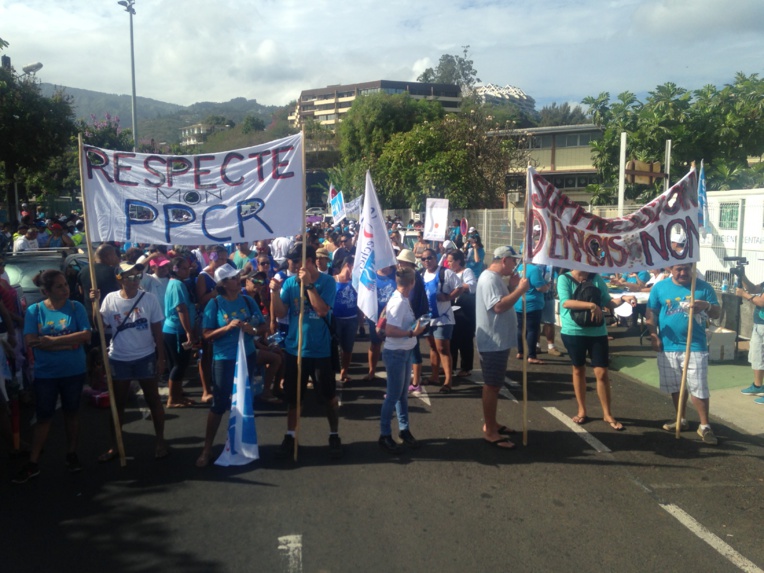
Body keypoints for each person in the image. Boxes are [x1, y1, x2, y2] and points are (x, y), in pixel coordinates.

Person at [14, 270, 91, 483]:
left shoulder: (76, 307)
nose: (66, 289)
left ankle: (72, 454)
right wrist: (69, 343)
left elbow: (86, 335)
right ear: (46, 291)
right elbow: (31, 340)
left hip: (73, 371)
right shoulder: (35, 310)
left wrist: (52, 342)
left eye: (66, 284)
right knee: (44, 416)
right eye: (59, 286)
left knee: (72, 413)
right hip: (46, 373)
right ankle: (33, 462)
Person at [270, 245, 343, 459]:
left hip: (320, 351)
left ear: (308, 262)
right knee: (294, 398)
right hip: (296, 350)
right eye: (290, 263)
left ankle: (334, 433)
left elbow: (321, 311)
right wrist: (274, 292)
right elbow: (282, 312)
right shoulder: (290, 283)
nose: (290, 267)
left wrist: (309, 285)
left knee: (328, 397)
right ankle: (290, 435)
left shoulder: (327, 282)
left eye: (294, 263)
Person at [97, 262, 168, 462]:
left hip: (145, 355)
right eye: (130, 276)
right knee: (117, 403)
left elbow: (157, 330)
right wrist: (94, 306)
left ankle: (160, 441)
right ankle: (115, 445)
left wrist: (160, 357)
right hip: (119, 357)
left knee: (153, 399)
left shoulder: (149, 299)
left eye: (138, 276)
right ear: (119, 278)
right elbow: (101, 327)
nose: (135, 280)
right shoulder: (110, 299)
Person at [196, 265, 266, 467]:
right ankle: (207, 449)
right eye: (234, 278)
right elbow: (206, 334)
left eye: (238, 277)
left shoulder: (247, 300)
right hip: (224, 359)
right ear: (224, 284)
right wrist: (227, 328)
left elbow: (262, 327)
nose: (239, 280)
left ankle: (242, 444)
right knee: (219, 403)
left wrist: (250, 329)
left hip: (247, 356)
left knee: (244, 400)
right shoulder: (215, 304)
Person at [646, 263, 721, 444]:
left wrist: (707, 306)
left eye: (687, 268)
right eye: (678, 269)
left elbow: (717, 313)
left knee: (699, 387)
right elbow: (651, 311)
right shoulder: (660, 287)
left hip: (695, 345)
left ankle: (705, 426)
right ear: (670, 269)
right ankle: (681, 419)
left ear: (692, 268)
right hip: (668, 346)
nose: (683, 273)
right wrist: (653, 334)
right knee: (675, 386)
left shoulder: (703, 287)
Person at [558, 269, 636, 430]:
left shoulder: (596, 278)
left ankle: (607, 414)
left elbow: (608, 302)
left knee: (602, 372)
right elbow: (565, 302)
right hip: (574, 331)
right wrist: (591, 305)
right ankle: (582, 410)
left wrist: (623, 298)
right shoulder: (564, 279)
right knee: (578, 369)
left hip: (597, 332)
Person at [475, 246, 529, 449]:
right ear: (504, 260)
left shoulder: (494, 278)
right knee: (492, 385)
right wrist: (518, 290)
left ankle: (492, 423)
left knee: (495, 385)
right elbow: (497, 306)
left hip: (497, 340)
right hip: (492, 341)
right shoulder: (489, 278)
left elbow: (498, 300)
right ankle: (489, 430)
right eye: (513, 261)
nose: (515, 265)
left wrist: (511, 286)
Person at [378, 267, 429, 454]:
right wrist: (412, 332)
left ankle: (404, 429)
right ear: (412, 283)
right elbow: (390, 330)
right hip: (397, 353)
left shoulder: (402, 298)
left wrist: (414, 328)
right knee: (393, 395)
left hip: (404, 351)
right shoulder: (399, 302)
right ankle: (384, 434)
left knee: (401, 396)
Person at [420, 248, 462, 392]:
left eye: (430, 258)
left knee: (443, 348)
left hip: (443, 318)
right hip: (427, 318)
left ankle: (448, 381)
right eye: (423, 259)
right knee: (432, 347)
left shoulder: (445, 273)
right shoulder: (421, 274)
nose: (427, 261)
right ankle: (434, 376)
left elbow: (460, 287)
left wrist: (448, 297)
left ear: (435, 257)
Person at [163, 256, 198, 407]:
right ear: (174, 270)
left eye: (187, 267)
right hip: (177, 330)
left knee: (176, 364)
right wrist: (188, 331)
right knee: (180, 364)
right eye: (183, 268)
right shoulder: (177, 284)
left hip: (173, 329)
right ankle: (172, 398)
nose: (187, 270)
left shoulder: (176, 283)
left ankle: (177, 394)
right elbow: (181, 309)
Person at [396, 250, 429, 393]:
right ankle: (415, 380)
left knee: (413, 350)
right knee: (412, 349)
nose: (399, 264)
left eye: (402, 261)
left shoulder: (413, 278)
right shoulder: (415, 276)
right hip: (415, 317)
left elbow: (411, 299)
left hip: (413, 318)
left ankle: (416, 382)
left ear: (408, 263)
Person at [364, 265, 396, 381]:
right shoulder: (372, 275)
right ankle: (371, 371)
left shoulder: (397, 274)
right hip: (376, 316)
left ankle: (393, 373)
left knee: (393, 346)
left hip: (394, 317)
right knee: (375, 344)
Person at [514, 261, 551, 365]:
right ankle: (532, 355)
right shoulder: (534, 270)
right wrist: (547, 286)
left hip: (519, 302)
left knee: (521, 328)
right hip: (532, 304)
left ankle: (520, 352)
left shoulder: (521, 267)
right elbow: (540, 287)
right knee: (532, 330)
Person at [447, 250, 476, 377]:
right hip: (451, 309)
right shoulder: (449, 273)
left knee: (465, 340)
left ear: (459, 261)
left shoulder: (466, 272)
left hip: (464, 310)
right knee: (452, 339)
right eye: (447, 261)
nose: (448, 263)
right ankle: (450, 366)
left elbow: (472, 286)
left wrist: (456, 287)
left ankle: (466, 367)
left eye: (451, 261)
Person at [736, 273, 764, 402]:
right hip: (759, 325)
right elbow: (754, 289)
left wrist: (744, 295)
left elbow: (761, 301)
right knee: (757, 355)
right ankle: (758, 386)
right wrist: (743, 277)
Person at [333, 255, 357, 384]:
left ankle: (344, 371)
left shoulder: (356, 282)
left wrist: (360, 319)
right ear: (348, 265)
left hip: (351, 319)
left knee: (348, 348)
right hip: (335, 319)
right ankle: (332, 371)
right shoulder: (333, 280)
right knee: (333, 348)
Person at [540, 265, 562, 356]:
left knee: (549, 322)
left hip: (549, 295)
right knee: (535, 322)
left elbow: (561, 272)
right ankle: (536, 345)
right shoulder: (534, 258)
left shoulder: (552, 260)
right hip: (535, 295)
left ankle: (551, 346)